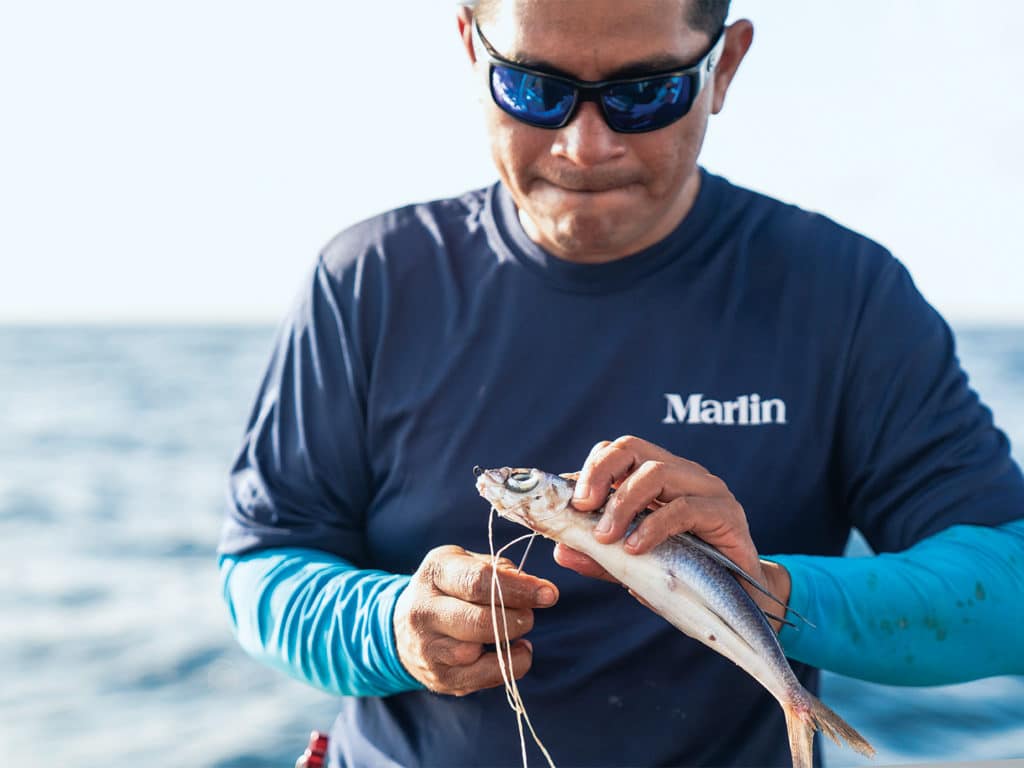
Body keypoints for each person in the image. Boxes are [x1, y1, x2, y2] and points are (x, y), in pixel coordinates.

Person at [217, 1, 1024, 765]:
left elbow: (1010, 591)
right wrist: (390, 626)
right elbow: (264, 565)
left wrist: (769, 592)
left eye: (645, 94)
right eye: (535, 89)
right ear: (471, 48)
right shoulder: (369, 281)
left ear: (725, 67)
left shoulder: (846, 297)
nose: (585, 144)